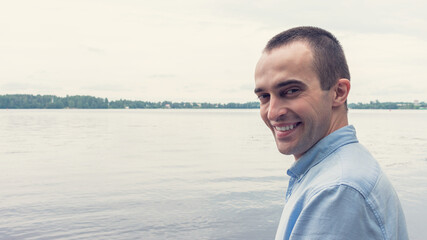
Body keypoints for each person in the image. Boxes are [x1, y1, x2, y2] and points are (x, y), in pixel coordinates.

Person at [254, 26, 408, 240]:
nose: (273, 112)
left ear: (338, 92)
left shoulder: (336, 191)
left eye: (291, 91)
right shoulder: (334, 171)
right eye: (264, 96)